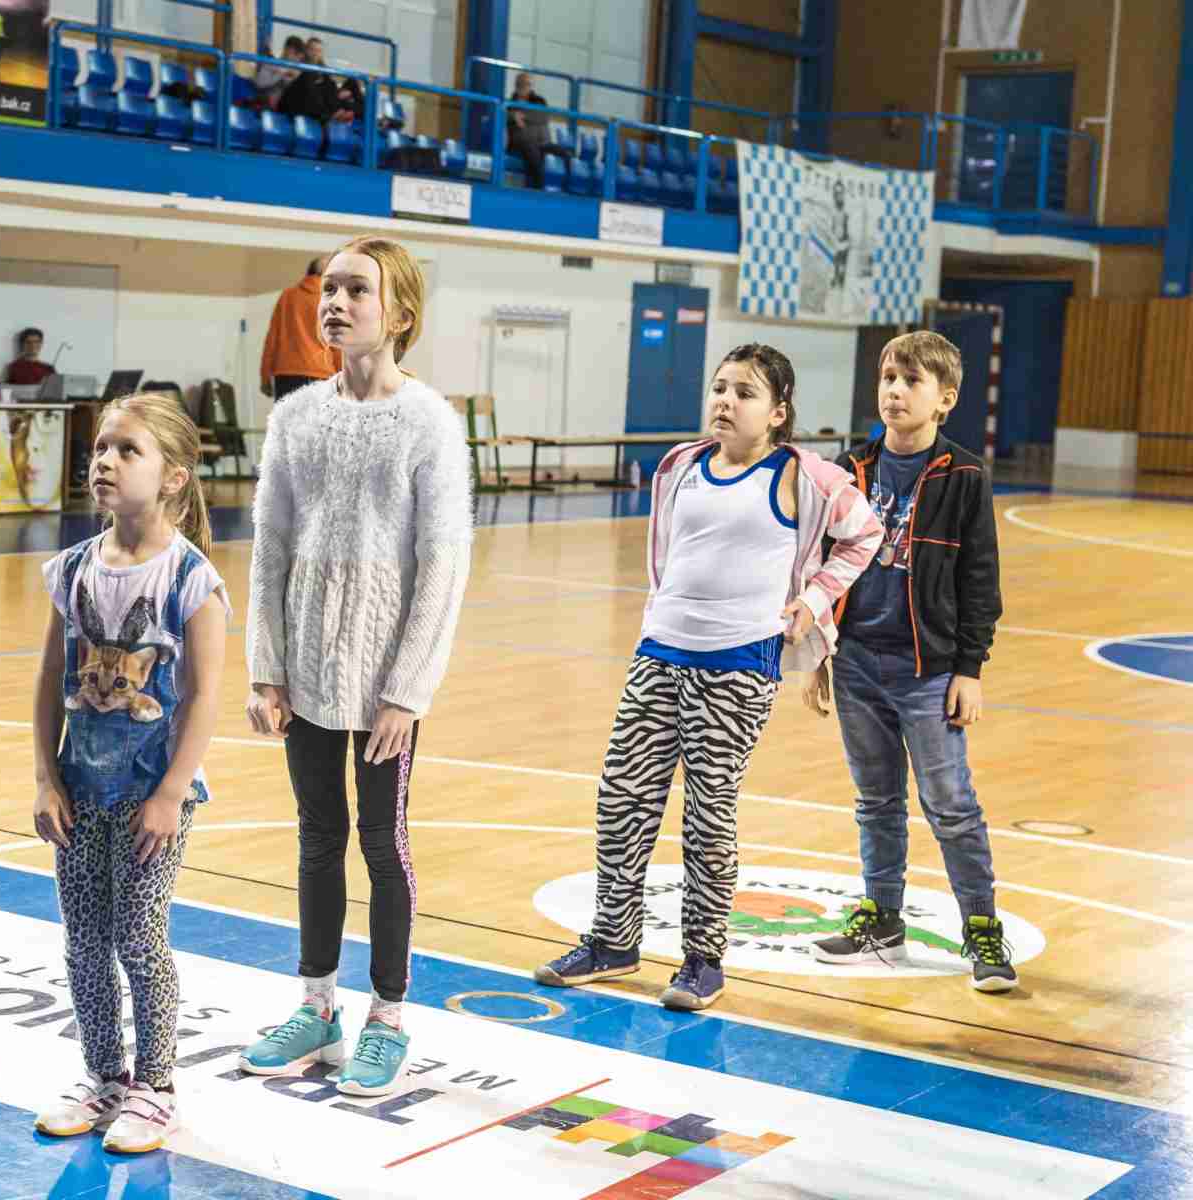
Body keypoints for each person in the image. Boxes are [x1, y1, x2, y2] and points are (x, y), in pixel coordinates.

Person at [533, 344, 884, 1011]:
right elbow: (669, 554)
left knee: (708, 813)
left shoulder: (803, 475)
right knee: (622, 798)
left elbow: (864, 536)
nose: (726, 400)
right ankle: (612, 942)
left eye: (745, 392)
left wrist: (814, 600)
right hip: (660, 651)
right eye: (720, 387)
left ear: (778, 412)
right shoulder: (681, 466)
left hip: (739, 663)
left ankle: (703, 959)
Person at [239, 236, 473, 1096]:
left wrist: (407, 691)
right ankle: (317, 1007)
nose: (334, 303)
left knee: (382, 842)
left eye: (355, 291)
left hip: (385, 689)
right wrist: (267, 668)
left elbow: (443, 563)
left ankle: (388, 1018)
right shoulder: (295, 417)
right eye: (329, 289)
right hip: (305, 672)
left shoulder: (430, 421)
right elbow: (270, 548)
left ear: (399, 312)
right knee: (317, 839)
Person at [31, 391, 228, 1154]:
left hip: (151, 798)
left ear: (173, 477)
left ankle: (157, 1089)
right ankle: (104, 1078)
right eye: (100, 449)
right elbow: (48, 680)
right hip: (79, 792)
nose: (105, 462)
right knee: (83, 941)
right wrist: (46, 777)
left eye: (126, 450)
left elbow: (205, 696)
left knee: (139, 939)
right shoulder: (72, 569)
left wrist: (172, 792)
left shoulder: (191, 579)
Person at [805, 331, 1017, 993]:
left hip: (929, 671)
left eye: (911, 382)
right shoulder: (849, 469)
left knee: (950, 804)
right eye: (888, 379)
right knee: (875, 800)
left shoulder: (964, 476)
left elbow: (980, 580)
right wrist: (817, 652)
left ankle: (981, 927)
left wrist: (970, 669)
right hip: (856, 663)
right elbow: (821, 565)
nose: (895, 392)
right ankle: (882, 917)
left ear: (945, 399)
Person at [259, 258, 340, 401]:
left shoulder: (287, 296)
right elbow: (337, 343)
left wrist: (265, 376)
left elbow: (272, 338)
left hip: (286, 375)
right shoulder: (330, 301)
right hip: (321, 375)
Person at [507, 72, 569, 190]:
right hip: (523, 142)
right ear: (516, 85)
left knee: (566, 154)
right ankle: (537, 192)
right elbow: (505, 115)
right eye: (521, 84)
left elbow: (543, 117)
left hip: (542, 142)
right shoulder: (510, 103)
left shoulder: (539, 100)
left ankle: (568, 189)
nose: (524, 87)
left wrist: (522, 116)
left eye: (527, 84)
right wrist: (513, 116)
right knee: (535, 158)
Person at [279, 37, 339, 124]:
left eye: (318, 51)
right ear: (306, 50)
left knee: (332, 82)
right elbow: (286, 79)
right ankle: (325, 114)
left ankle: (336, 111)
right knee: (308, 76)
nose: (315, 53)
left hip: (310, 104)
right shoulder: (297, 61)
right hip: (293, 101)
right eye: (312, 50)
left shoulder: (323, 70)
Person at [255, 35, 308, 110]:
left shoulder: (298, 70)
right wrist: (282, 74)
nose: (296, 59)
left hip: (292, 104)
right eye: (294, 53)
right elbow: (259, 83)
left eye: (299, 56)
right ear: (286, 49)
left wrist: (296, 78)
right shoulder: (271, 64)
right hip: (273, 102)